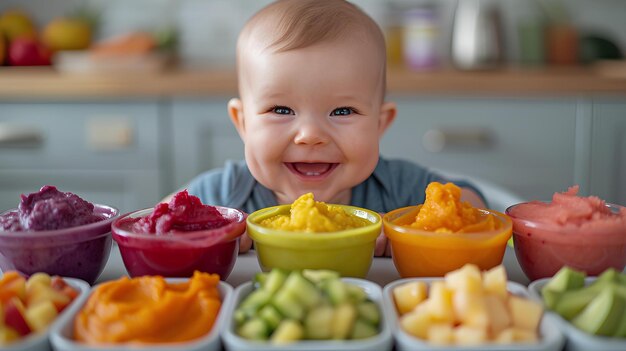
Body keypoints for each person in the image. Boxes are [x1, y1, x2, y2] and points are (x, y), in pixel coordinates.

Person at [178, 0, 486, 256]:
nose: (310, 135)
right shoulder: (224, 196)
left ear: (380, 124)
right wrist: (209, 238)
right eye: (281, 110)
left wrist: (414, 232)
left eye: (342, 111)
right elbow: (158, 223)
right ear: (243, 123)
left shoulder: (396, 188)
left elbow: (475, 207)